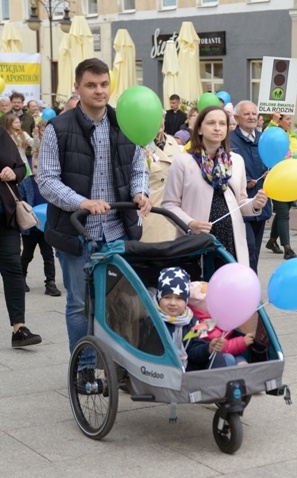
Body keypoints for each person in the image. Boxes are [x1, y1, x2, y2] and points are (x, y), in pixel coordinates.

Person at [38, 58, 152, 354]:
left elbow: (139, 168)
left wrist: (140, 192)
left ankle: (121, 365)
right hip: (76, 232)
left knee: (123, 302)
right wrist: (83, 203)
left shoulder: (125, 123)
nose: (99, 91)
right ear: (76, 87)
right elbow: (47, 181)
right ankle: (85, 369)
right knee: (79, 304)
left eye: (103, 84)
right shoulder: (58, 128)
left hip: (118, 232)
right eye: (91, 85)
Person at [162, 105, 268, 267]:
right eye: (211, 123)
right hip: (196, 242)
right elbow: (169, 205)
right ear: (199, 129)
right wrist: (190, 224)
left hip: (231, 239)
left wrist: (254, 204)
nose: (217, 128)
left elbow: (240, 201)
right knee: (200, 288)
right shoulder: (183, 161)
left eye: (222, 123)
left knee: (230, 288)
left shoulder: (236, 161)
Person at [0, 126, 42, 348]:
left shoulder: (1, 134)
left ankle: (19, 329)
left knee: (13, 270)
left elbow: (21, 168)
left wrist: (13, 173)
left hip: (4, 218)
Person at [154, 267, 232, 371]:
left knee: (216, 355)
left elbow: (194, 350)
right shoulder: (153, 321)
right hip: (162, 369)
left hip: (188, 369)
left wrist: (208, 348)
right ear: (159, 298)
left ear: (186, 301)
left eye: (179, 298)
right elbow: (148, 349)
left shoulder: (192, 321)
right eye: (167, 297)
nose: (173, 303)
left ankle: (216, 385)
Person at [229, 100, 272, 273]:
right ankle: (247, 286)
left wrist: (272, 173)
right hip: (239, 204)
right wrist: (244, 179)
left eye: (254, 114)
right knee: (248, 247)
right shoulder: (229, 140)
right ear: (237, 117)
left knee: (255, 250)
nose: (251, 117)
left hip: (260, 203)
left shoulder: (264, 139)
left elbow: (272, 163)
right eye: (247, 114)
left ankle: (250, 286)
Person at [18, 153, 61, 296]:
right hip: (31, 227)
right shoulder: (25, 183)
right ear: (31, 167)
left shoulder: (49, 184)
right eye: (35, 167)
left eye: (40, 166)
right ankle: (21, 279)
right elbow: (21, 202)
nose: (38, 169)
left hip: (46, 227)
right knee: (27, 255)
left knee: (48, 255)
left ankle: (50, 283)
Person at [264, 111, 297, 260]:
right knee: (283, 213)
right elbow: (265, 138)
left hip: (292, 180)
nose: (290, 122)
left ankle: (272, 240)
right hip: (277, 179)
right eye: (287, 119)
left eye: (290, 119)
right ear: (279, 121)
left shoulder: (294, 137)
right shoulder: (273, 134)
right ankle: (287, 248)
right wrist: (273, 121)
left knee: (284, 211)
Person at [140, 115, 183, 243]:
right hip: (151, 211)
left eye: (161, 116)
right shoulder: (140, 143)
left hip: (175, 210)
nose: (159, 121)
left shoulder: (171, 141)